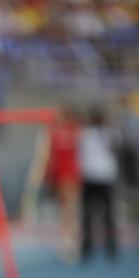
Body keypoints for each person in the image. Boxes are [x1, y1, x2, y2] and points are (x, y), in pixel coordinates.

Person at [78, 106, 119, 260]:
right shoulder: (86, 134)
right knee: (90, 214)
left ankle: (110, 246)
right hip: (94, 177)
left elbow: (116, 146)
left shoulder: (106, 134)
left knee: (106, 214)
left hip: (101, 176)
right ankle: (89, 247)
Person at [45, 105, 82, 263]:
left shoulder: (65, 130)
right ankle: (69, 240)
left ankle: (69, 240)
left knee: (68, 208)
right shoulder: (71, 130)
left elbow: (51, 156)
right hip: (67, 173)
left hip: (67, 172)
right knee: (68, 207)